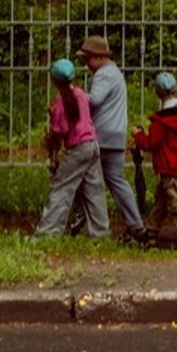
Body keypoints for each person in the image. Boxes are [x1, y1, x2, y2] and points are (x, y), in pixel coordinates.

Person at [78, 36, 147, 243]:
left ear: (99, 57)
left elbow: (94, 100)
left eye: (88, 59)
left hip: (102, 135)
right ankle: (136, 226)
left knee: (84, 179)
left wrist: (76, 96)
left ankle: (83, 220)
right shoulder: (115, 73)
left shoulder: (103, 75)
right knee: (117, 181)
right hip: (116, 135)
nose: (86, 64)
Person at [35, 59, 109, 238]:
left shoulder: (61, 99)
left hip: (77, 149)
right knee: (94, 191)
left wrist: (53, 116)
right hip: (92, 144)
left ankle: (48, 232)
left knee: (62, 188)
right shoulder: (81, 94)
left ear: (55, 81)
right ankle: (101, 233)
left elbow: (62, 129)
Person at [132, 72, 177, 248]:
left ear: (158, 92)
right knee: (162, 198)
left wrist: (138, 136)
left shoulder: (161, 121)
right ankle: (152, 228)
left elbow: (151, 143)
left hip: (169, 165)